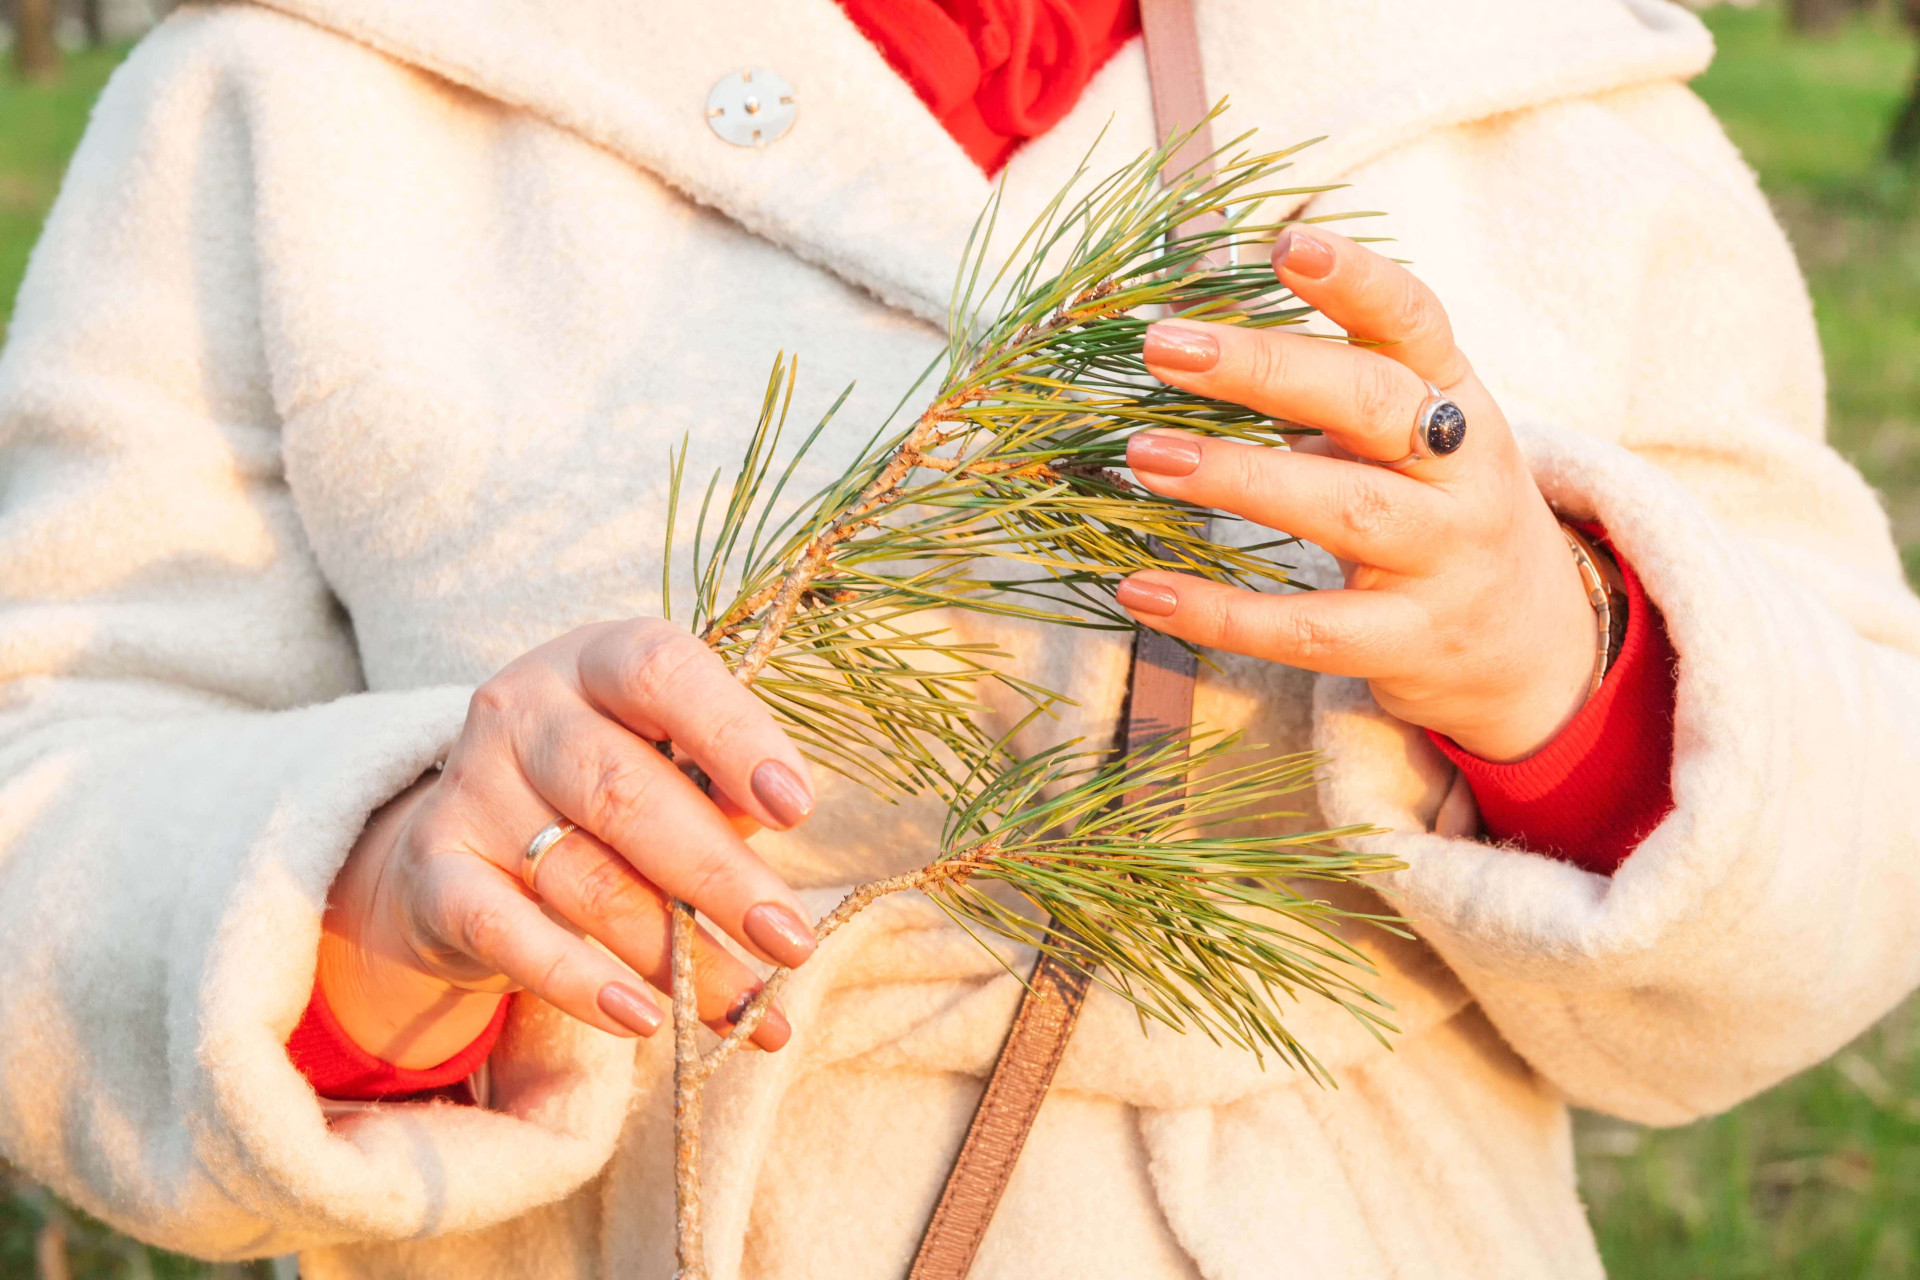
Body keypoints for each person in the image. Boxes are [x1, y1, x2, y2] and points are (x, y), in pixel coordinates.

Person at [1, 0, 1916, 1276]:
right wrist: (375, 895)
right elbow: (54, 777)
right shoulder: (295, 86)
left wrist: (1565, 665)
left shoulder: (1533, 84)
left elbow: (1856, 849)